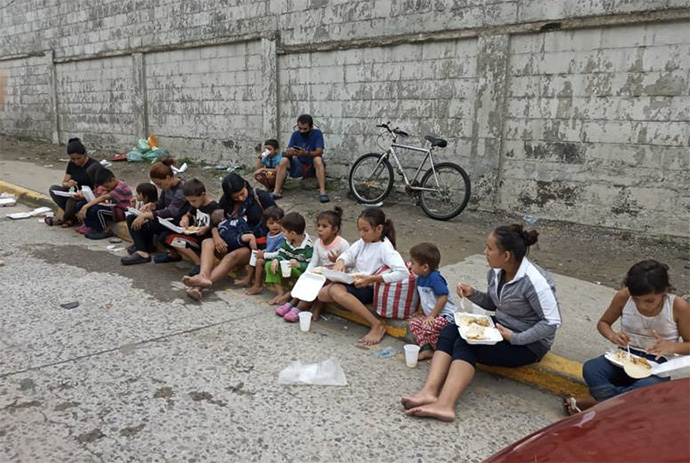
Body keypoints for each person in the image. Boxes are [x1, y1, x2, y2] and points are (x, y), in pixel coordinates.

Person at [401, 224, 560, 422]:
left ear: (507, 255)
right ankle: (429, 391)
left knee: (468, 342)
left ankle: (445, 405)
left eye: (490, 248)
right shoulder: (495, 272)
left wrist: (516, 337)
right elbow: (495, 303)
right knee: (451, 330)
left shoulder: (535, 281)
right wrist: (473, 294)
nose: (485, 252)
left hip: (529, 344)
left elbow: (551, 323)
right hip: (501, 328)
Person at [562, 260, 689, 415]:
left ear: (664, 291)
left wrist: (671, 346)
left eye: (649, 301)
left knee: (647, 387)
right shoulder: (624, 297)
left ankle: (597, 403)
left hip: (655, 368)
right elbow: (603, 323)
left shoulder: (677, 306)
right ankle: (614, 406)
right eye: (636, 300)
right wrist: (612, 335)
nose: (642, 306)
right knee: (591, 368)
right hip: (624, 359)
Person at [317, 207, 408, 345]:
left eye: (365, 230)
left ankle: (376, 324)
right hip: (355, 281)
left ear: (379, 229)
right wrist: (341, 261)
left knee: (334, 290)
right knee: (322, 294)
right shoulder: (363, 242)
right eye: (359, 229)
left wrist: (372, 279)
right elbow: (349, 254)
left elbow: (403, 272)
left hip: (370, 288)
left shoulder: (385, 248)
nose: (361, 234)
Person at [182, 173, 275, 300]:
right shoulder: (226, 201)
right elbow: (214, 222)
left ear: (244, 185)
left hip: (250, 246)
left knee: (232, 257)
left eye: (242, 194)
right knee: (207, 242)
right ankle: (203, 276)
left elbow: (277, 219)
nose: (241, 198)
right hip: (228, 239)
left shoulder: (261, 197)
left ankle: (198, 287)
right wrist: (217, 237)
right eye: (236, 197)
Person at [275, 208, 350, 322]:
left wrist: (337, 260)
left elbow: (349, 264)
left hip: (338, 278)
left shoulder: (342, 244)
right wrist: (306, 276)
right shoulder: (318, 244)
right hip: (323, 273)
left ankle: (300, 307)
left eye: (324, 227)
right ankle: (293, 302)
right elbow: (313, 262)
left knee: (316, 284)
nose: (319, 229)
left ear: (335, 229)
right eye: (318, 225)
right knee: (308, 278)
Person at [121, 158, 189, 265]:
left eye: (159, 184)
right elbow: (161, 203)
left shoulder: (182, 189)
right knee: (131, 217)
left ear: (168, 178)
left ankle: (142, 253)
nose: (159, 187)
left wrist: (148, 215)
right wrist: (152, 205)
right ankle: (143, 248)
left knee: (147, 222)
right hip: (167, 219)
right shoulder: (166, 187)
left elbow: (172, 211)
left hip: (178, 222)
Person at [407, 242, 457, 361]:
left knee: (428, 326)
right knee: (413, 323)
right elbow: (423, 298)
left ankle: (439, 350)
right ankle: (426, 348)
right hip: (432, 316)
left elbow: (443, 298)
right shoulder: (420, 279)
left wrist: (432, 315)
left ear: (425, 267)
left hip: (445, 317)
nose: (410, 266)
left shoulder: (435, 278)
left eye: (413, 263)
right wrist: (419, 311)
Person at [156, 178, 218, 269]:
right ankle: (173, 255)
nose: (191, 204)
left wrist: (207, 228)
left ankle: (198, 263)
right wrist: (185, 218)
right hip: (194, 234)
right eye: (189, 201)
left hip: (205, 239)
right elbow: (188, 214)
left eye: (193, 201)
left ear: (203, 194)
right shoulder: (196, 205)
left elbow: (216, 224)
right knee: (164, 236)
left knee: (173, 239)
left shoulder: (213, 207)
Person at [271, 114, 330, 203]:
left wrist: (305, 153)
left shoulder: (317, 133)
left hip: (312, 166)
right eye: (300, 128)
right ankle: (277, 191)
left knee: (317, 159)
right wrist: (290, 152)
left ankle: (322, 192)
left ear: (311, 127)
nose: (302, 131)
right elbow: (289, 149)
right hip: (299, 164)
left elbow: (319, 151)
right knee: (284, 160)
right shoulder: (295, 135)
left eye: (305, 129)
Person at [46, 137, 99, 227]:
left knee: (71, 202)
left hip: (86, 196)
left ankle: (64, 219)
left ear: (85, 154)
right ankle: (70, 218)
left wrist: (83, 195)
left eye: (79, 158)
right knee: (53, 189)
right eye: (73, 159)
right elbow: (64, 182)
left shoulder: (94, 165)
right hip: (73, 192)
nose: (76, 161)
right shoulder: (71, 164)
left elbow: (100, 187)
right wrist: (68, 184)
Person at [265, 212, 314, 306]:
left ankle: (292, 295)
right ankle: (280, 293)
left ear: (292, 233)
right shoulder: (287, 240)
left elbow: (311, 266)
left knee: (302, 277)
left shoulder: (308, 246)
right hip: (287, 268)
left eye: (284, 231)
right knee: (269, 265)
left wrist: (299, 265)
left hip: (300, 272)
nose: (282, 234)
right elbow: (282, 253)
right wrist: (277, 260)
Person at [239, 206, 285, 295]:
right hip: (269, 255)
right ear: (266, 224)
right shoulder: (269, 234)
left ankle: (257, 285)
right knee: (255, 253)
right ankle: (248, 278)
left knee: (259, 261)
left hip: (278, 258)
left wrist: (264, 255)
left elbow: (280, 252)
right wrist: (263, 251)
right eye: (271, 223)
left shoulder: (282, 236)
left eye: (278, 223)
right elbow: (269, 248)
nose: (275, 225)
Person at [77, 168, 133, 240]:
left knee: (97, 210)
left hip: (121, 211)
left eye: (107, 186)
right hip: (113, 208)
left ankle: (104, 230)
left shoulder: (121, 187)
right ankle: (92, 227)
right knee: (81, 204)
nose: (106, 189)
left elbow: (104, 198)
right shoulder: (112, 185)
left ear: (113, 180)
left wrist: (86, 206)